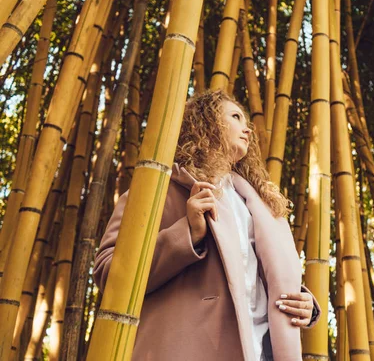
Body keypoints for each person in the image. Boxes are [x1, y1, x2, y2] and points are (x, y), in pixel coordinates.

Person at [93, 89, 321, 360]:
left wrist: (302, 302)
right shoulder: (156, 191)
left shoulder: (260, 204)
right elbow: (109, 274)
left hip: (262, 351)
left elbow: (247, 279)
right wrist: (186, 233)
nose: (247, 129)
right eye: (235, 117)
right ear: (205, 122)